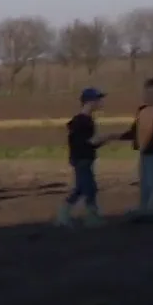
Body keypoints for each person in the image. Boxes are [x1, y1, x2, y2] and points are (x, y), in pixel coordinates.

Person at [58, 87, 113, 227]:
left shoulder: (80, 120)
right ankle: (86, 217)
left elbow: (83, 142)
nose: (100, 102)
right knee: (87, 188)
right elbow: (90, 141)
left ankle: (67, 215)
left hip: (81, 158)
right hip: (82, 159)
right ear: (90, 102)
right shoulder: (84, 121)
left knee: (85, 187)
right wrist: (109, 138)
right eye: (98, 99)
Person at [117, 78, 153, 221]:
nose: (148, 96)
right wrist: (115, 136)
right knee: (145, 181)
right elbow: (134, 132)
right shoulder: (142, 111)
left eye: (152, 93)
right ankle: (144, 208)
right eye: (146, 92)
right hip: (145, 152)